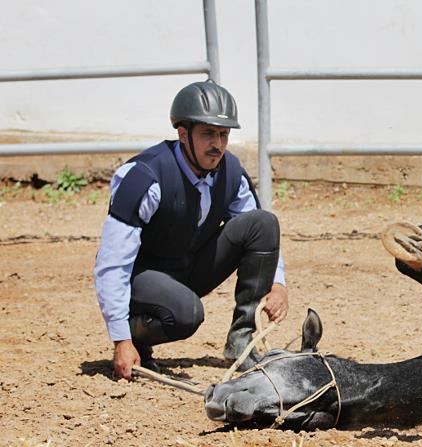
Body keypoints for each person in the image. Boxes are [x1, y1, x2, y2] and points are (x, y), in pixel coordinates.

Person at [94, 79, 288, 379]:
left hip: (188, 268)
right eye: (208, 134)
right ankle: (138, 340)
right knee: (187, 314)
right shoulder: (144, 176)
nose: (218, 145)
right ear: (183, 134)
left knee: (263, 223)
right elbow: (112, 262)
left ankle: (242, 340)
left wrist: (277, 283)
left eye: (224, 134)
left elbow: (258, 227)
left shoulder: (231, 172)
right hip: (143, 277)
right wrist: (121, 338)